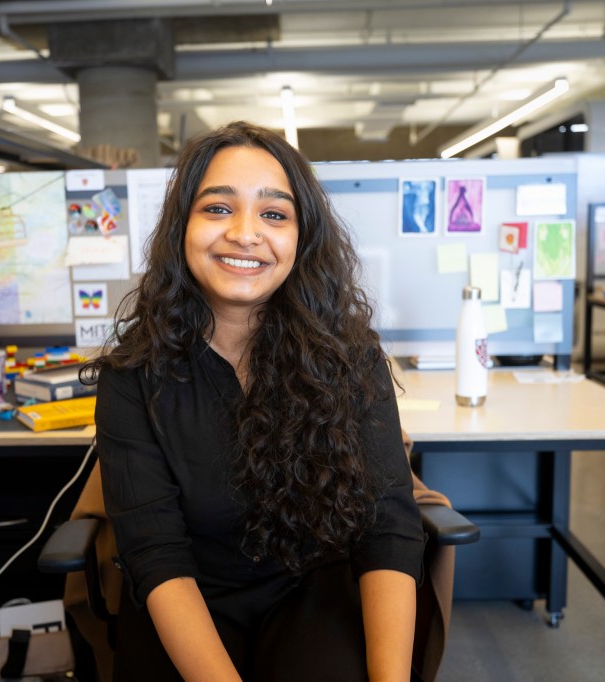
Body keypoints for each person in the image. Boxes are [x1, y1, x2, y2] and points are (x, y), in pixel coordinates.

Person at [85, 121, 425, 682]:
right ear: (182, 227)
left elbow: (387, 526)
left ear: (302, 237)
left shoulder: (350, 359)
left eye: (274, 214)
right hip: (187, 595)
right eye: (218, 208)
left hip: (312, 589)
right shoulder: (133, 375)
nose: (245, 234)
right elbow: (157, 555)